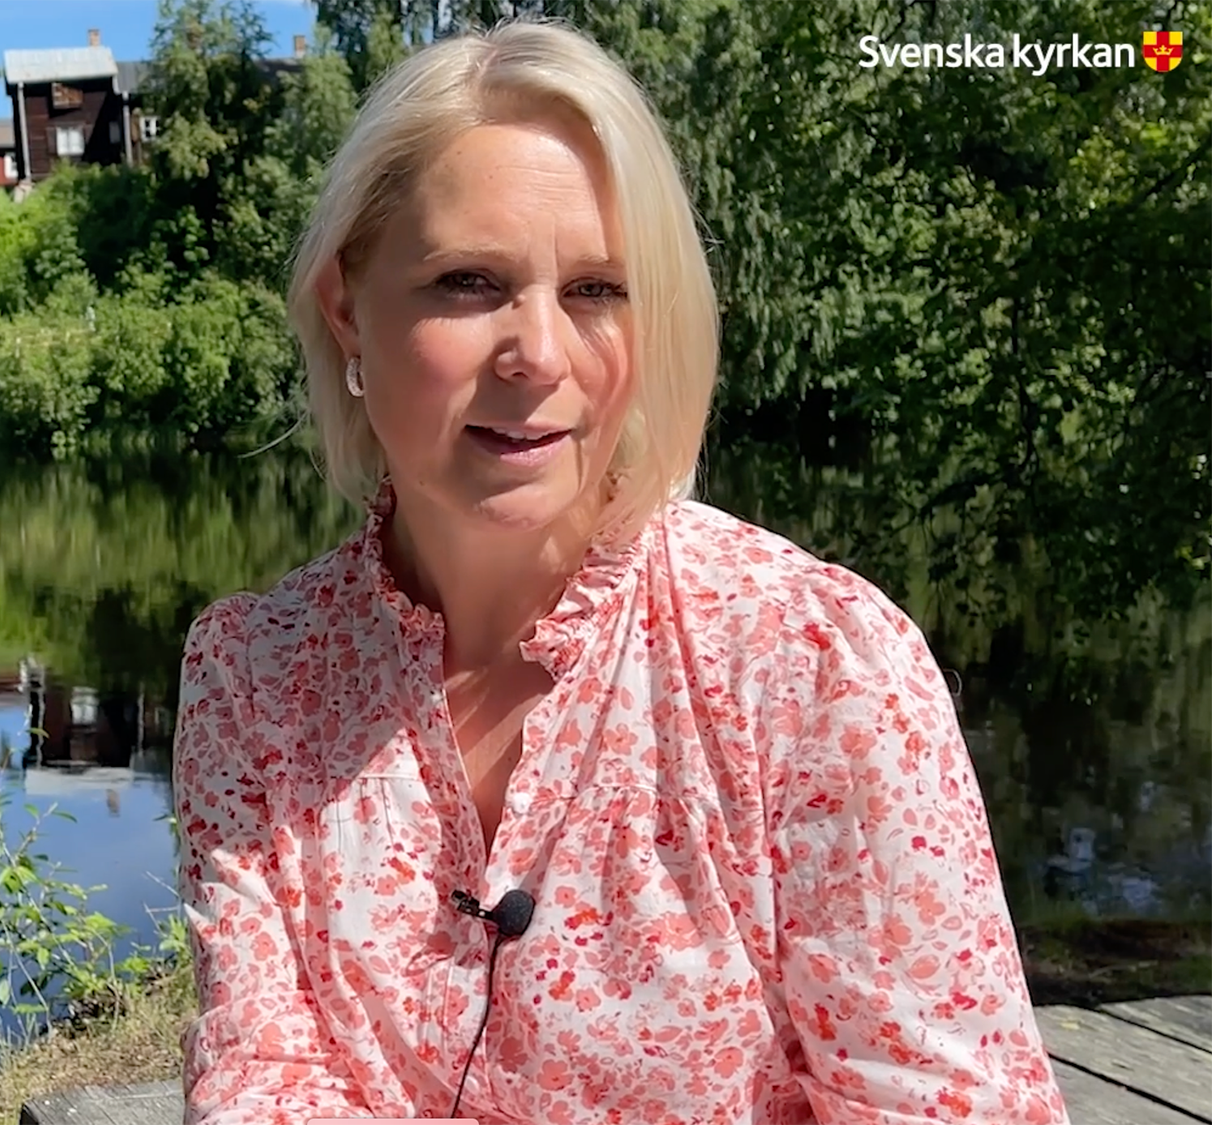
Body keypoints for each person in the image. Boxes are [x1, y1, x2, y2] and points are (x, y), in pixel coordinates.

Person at [169, 16, 1071, 1125]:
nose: (539, 354)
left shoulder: (810, 669)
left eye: (597, 288)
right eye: (468, 281)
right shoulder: (254, 677)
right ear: (348, 307)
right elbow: (261, 1081)